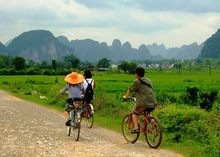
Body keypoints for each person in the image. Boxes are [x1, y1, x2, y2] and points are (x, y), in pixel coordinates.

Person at [123, 67, 157, 133]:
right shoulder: (148, 80)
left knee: (134, 113)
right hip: (153, 102)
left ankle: (136, 128)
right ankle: (153, 123)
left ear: (137, 74)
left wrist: (125, 97)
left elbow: (130, 90)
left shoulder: (137, 81)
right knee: (148, 112)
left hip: (143, 103)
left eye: (135, 74)